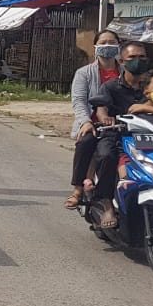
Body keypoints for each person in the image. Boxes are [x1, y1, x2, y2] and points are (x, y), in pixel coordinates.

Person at [92, 41, 153, 229]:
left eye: (141, 57)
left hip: (148, 137)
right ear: (122, 61)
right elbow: (101, 108)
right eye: (132, 58)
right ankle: (106, 202)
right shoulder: (111, 87)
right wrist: (105, 119)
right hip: (117, 134)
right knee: (106, 156)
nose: (138, 61)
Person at [65, 30, 122, 209]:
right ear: (96, 47)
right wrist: (86, 122)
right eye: (103, 42)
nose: (107, 46)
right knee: (85, 143)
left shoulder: (126, 73)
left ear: (119, 46)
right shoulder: (84, 73)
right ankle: (78, 190)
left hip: (122, 123)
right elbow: (79, 101)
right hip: (94, 123)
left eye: (111, 42)